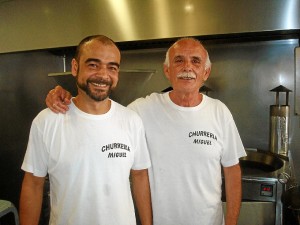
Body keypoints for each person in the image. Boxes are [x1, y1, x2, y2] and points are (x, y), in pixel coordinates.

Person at [46, 37, 246, 225]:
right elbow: (99, 110)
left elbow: (232, 171)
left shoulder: (219, 111)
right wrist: (63, 96)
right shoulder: (142, 110)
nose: (187, 67)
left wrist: (231, 222)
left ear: (206, 72)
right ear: (167, 70)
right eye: (179, 60)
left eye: (195, 61)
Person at [19, 35, 152, 225]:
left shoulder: (131, 120)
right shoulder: (47, 121)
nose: (103, 75)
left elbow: (139, 176)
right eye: (93, 65)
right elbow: (33, 184)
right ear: (75, 67)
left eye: (112, 67)